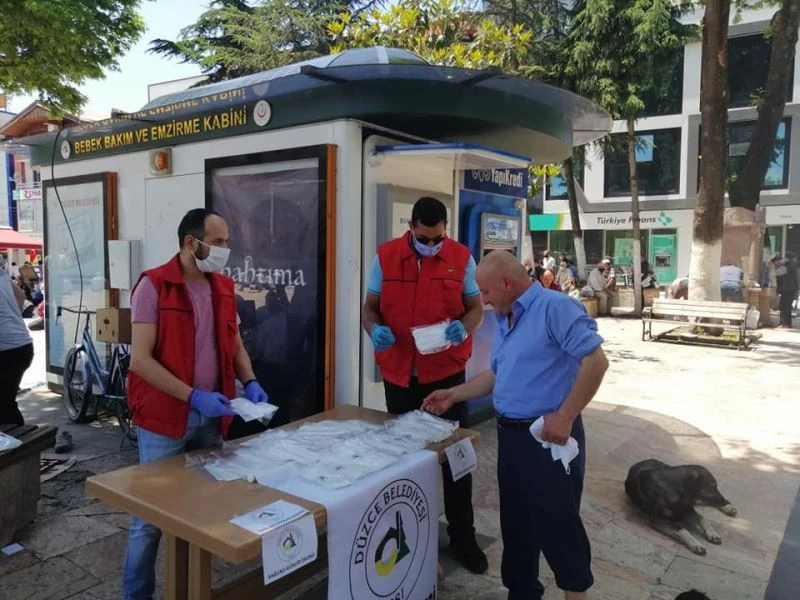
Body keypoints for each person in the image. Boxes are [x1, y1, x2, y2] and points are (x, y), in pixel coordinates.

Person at [422, 250, 608, 600]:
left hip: (546, 440)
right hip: (512, 440)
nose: (485, 303)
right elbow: (499, 373)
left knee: (559, 528)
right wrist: (455, 394)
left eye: (487, 294)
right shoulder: (509, 318)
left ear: (506, 284)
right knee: (518, 529)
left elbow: (596, 362)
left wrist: (566, 415)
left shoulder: (555, 308)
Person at [122, 208, 269, 600]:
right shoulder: (154, 286)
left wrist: (249, 380)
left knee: (203, 509)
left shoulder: (222, 286)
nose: (226, 249)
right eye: (219, 242)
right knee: (149, 517)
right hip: (164, 418)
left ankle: (191, 588)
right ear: (192, 242)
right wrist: (192, 395)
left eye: (226, 242)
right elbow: (141, 360)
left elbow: (234, 342)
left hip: (211, 416)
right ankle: (136, 595)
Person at [362, 196, 488, 574]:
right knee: (404, 460)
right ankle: (411, 537)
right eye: (425, 238)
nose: (432, 245)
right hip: (400, 375)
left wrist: (463, 327)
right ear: (412, 227)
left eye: (438, 239)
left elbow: (476, 308)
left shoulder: (461, 257)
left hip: (447, 376)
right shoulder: (384, 258)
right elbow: (370, 307)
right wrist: (375, 330)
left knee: (455, 459)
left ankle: (463, 537)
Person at [0, 255, 34, 426]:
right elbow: (20, 296)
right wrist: (14, 318)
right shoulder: (2, 276)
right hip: (23, 345)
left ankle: (18, 447)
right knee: (7, 401)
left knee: (4, 405)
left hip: (7, 350)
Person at [776, 252, 798, 328]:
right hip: (791, 289)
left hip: (786, 289)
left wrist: (777, 265)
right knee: (787, 306)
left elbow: (778, 273)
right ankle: (787, 324)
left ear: (787, 259)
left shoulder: (787, 266)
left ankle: (784, 324)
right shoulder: (793, 266)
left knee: (784, 306)